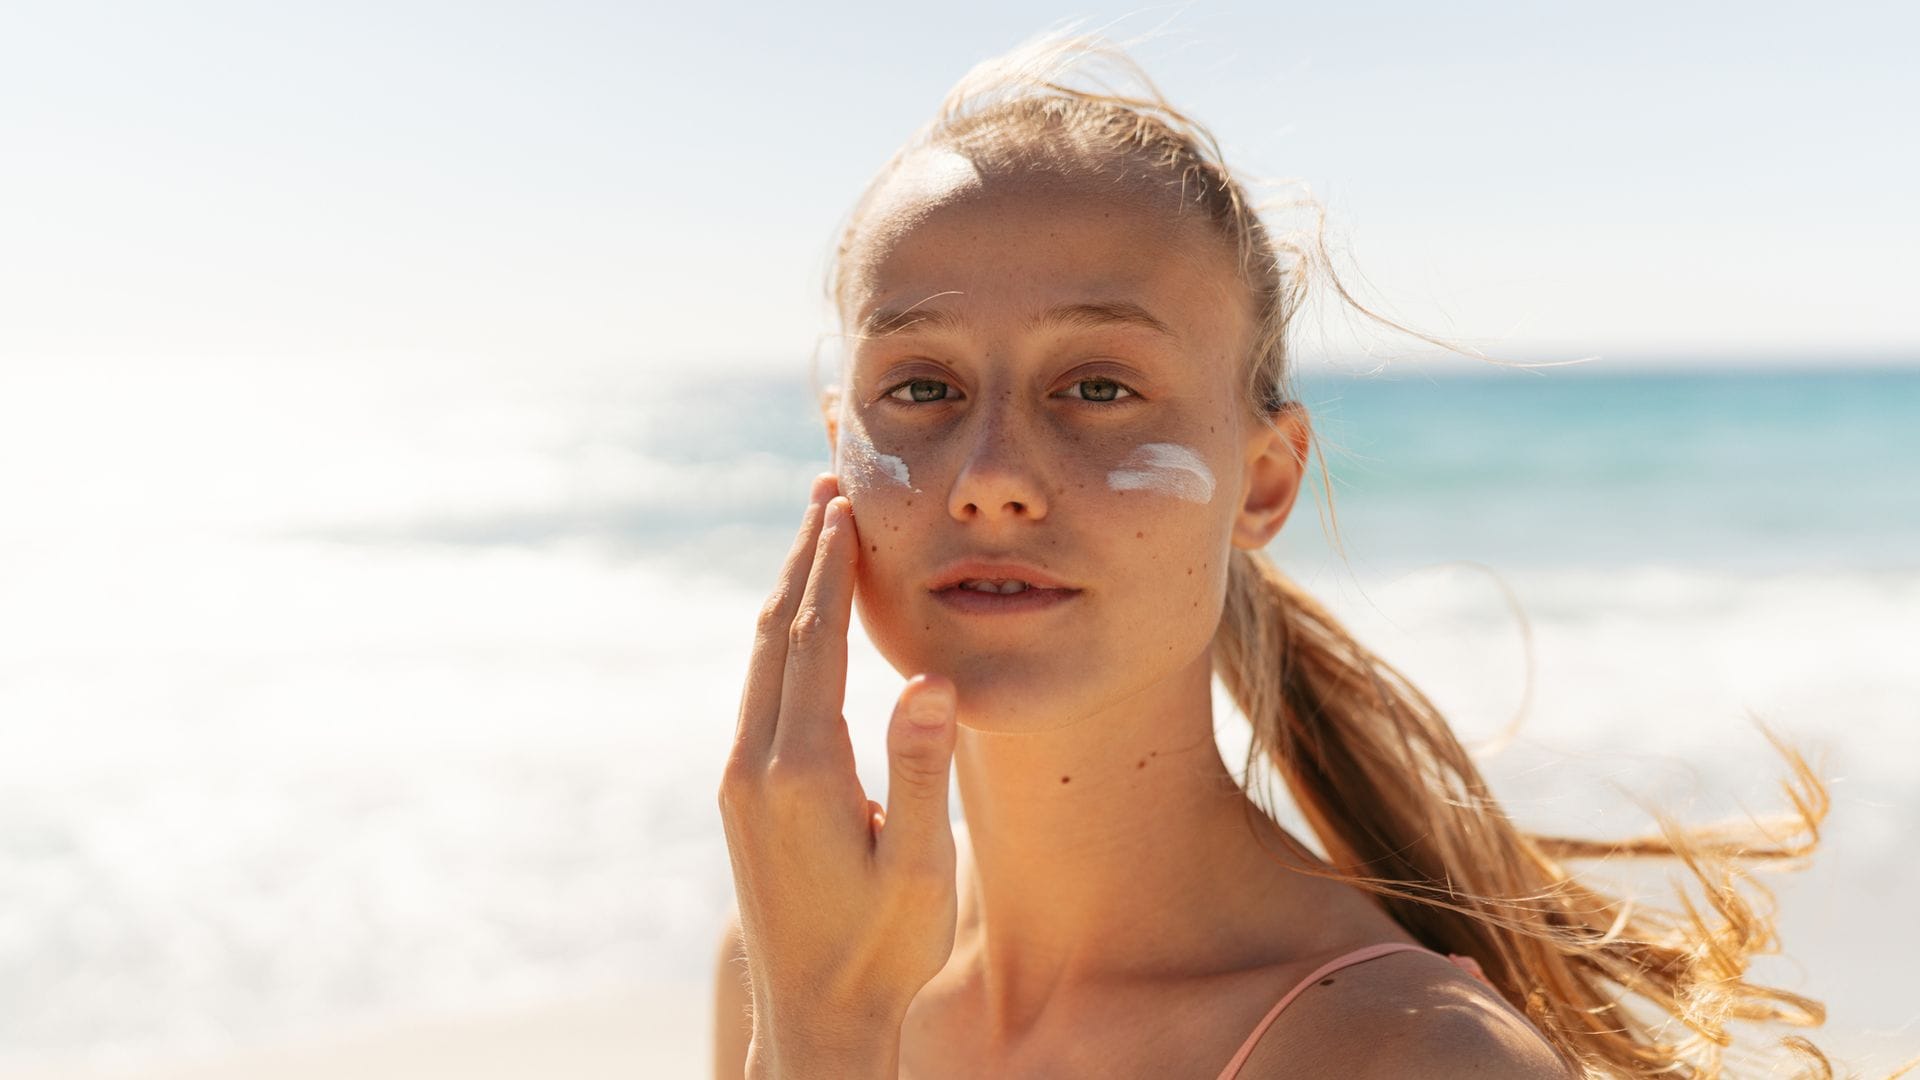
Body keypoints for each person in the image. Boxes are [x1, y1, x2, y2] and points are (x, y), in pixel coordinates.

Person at [713, 28, 1839, 1079]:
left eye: (1098, 387)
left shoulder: (1412, 1057)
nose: (989, 474)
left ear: (1264, 482)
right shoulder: (796, 962)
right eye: (920, 389)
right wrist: (819, 1013)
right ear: (838, 449)